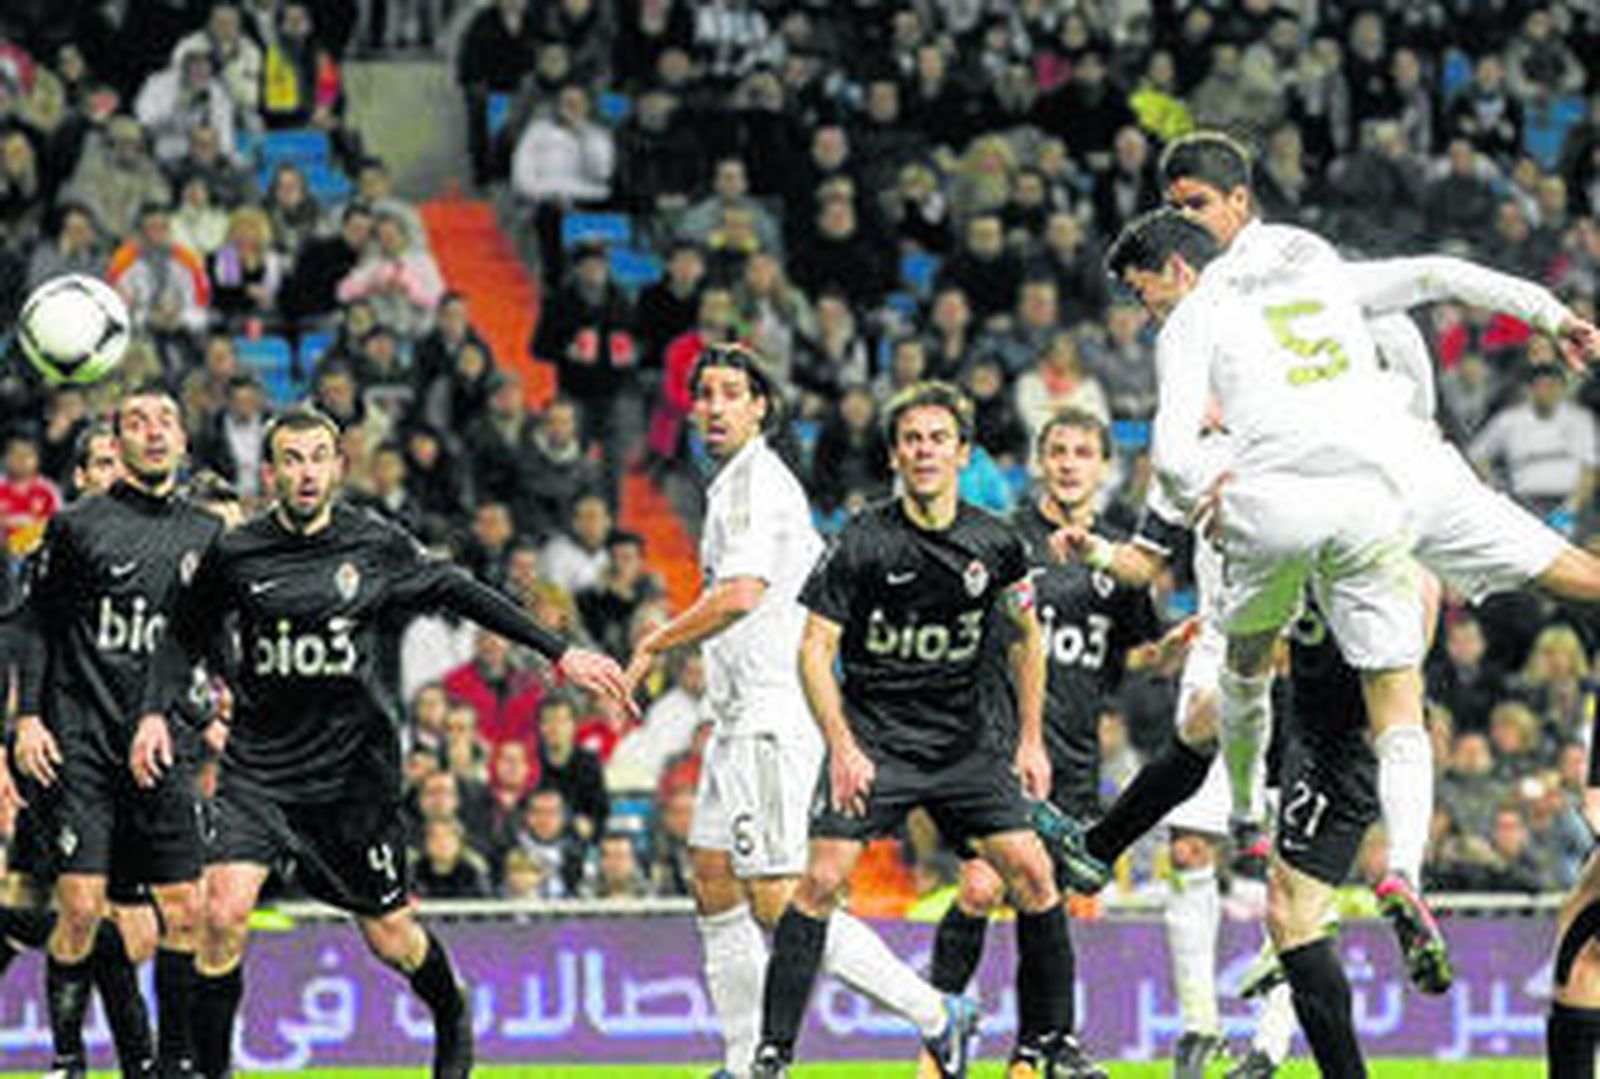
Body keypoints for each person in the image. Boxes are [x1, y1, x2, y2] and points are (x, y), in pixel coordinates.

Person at [138, 404, 634, 1079]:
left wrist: (558, 651)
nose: (306, 471)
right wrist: (152, 713)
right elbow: (180, 638)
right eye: (292, 458)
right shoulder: (237, 551)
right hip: (260, 771)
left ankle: (451, 1007)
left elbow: (459, 589)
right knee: (221, 914)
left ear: (339, 466)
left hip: (351, 780)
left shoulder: (375, 544)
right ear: (271, 469)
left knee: (392, 937)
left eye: (319, 456)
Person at [624, 346, 969, 1078]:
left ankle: (937, 1012)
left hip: (774, 715)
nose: (714, 406)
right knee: (714, 877)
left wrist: (656, 639)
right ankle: (744, 1059)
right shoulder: (729, 486)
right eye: (704, 394)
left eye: (731, 394)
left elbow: (744, 591)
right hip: (737, 713)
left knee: (781, 899)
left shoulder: (758, 483)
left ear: (761, 408)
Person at [751, 382, 1076, 1079]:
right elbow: (813, 649)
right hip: (876, 742)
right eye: (911, 440)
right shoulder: (862, 540)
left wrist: (1029, 739)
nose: (924, 451)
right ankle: (772, 1054)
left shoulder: (997, 541)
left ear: (963, 453)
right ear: (895, 454)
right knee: (821, 880)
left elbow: (1026, 638)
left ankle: (1051, 1047)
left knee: (1034, 873)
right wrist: (840, 743)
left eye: (937, 439)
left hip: (965, 745)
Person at [924, 408, 1183, 1079]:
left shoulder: (1123, 559)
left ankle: (1031, 1053)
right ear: (1040, 461)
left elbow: (1128, 658)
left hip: (1071, 755)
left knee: (1045, 900)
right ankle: (936, 1045)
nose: (1069, 463)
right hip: (998, 744)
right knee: (982, 883)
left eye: (1083, 452)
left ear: (1104, 466)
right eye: (1058, 451)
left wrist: (1166, 654)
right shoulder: (1005, 540)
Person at [10, 384, 225, 1078]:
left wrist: (226, 708)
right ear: (120, 442)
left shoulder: (207, 533)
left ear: (184, 440)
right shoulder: (78, 525)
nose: (154, 432)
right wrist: (29, 716)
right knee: (77, 906)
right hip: (83, 741)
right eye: (137, 422)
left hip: (163, 748)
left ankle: (170, 1063)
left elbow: (213, 640)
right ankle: (68, 1059)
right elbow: (38, 622)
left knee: (184, 911)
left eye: (166, 420)